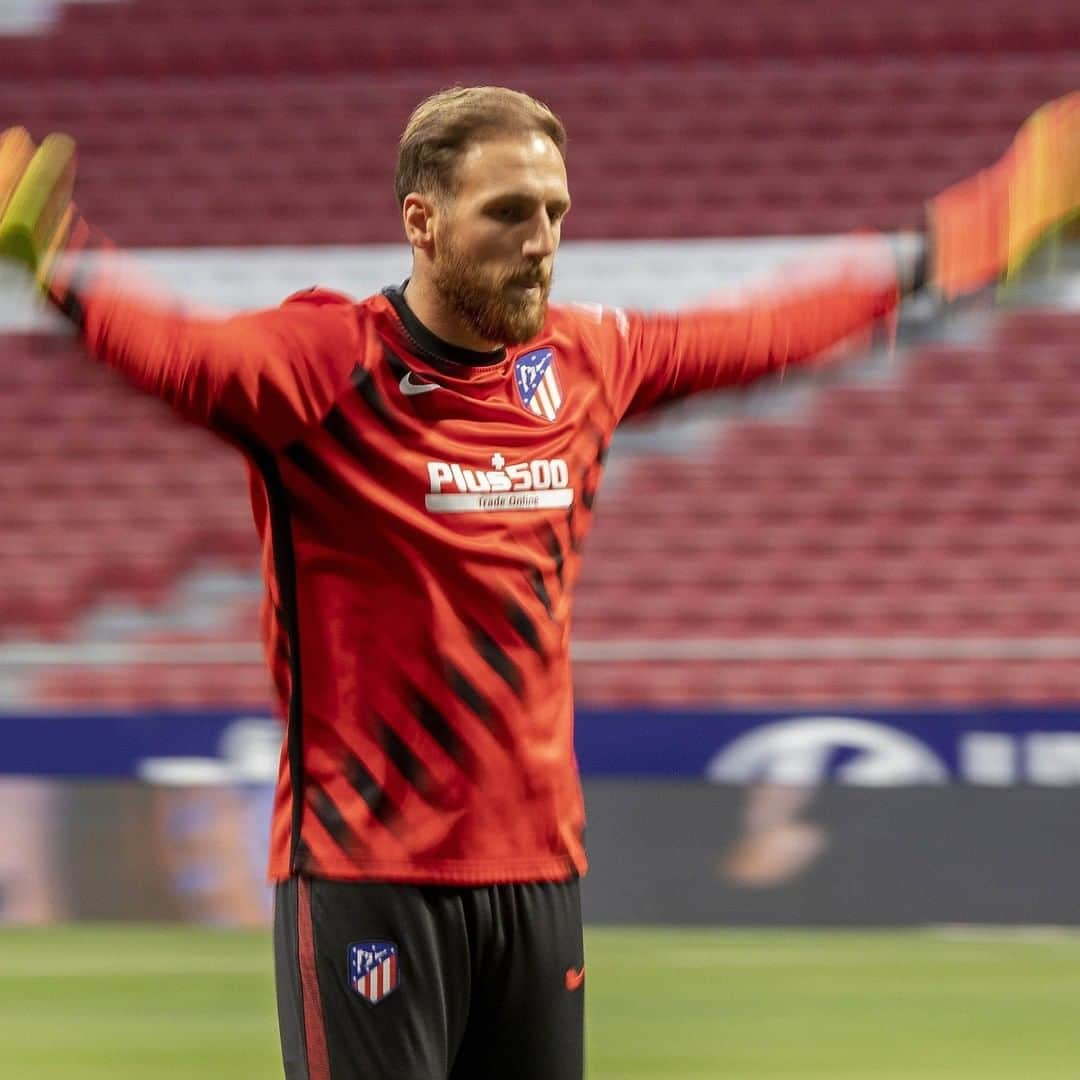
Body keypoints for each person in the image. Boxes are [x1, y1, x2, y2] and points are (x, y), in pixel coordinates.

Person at [2, 86, 927, 1079]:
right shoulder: (324, 366)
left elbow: (767, 332)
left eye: (555, 212)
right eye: (510, 212)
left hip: (539, 878)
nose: (541, 240)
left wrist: (946, 250)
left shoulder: (587, 361)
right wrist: (59, 260)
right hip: (370, 876)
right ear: (422, 222)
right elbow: (181, 356)